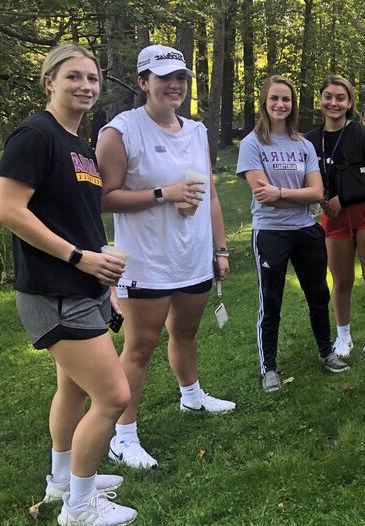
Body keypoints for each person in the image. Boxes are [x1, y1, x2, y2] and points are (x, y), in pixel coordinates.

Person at [0, 44, 137, 525]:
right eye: (74, 76)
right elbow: (8, 209)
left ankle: (62, 481)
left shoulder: (80, 143)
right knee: (114, 397)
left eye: (93, 79)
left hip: (84, 286)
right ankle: (80, 508)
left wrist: (105, 281)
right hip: (54, 289)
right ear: (49, 82)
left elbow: (80, 216)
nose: (85, 86)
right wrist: (78, 259)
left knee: (74, 390)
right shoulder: (35, 136)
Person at [96, 44, 234, 470]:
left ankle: (191, 397)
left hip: (191, 257)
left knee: (186, 333)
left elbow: (208, 193)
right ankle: (123, 435)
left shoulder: (196, 131)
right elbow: (103, 198)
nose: (174, 85)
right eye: (164, 78)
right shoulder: (121, 131)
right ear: (144, 83)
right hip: (146, 261)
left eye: (181, 78)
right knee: (139, 348)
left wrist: (220, 247)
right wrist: (162, 195)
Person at [236, 75, 349, 392]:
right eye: (274, 99)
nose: (280, 105)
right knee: (270, 302)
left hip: (306, 231)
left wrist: (281, 193)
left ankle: (326, 352)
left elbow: (317, 192)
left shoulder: (304, 145)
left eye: (286, 99)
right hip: (270, 233)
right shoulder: (252, 144)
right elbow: (262, 194)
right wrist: (293, 194)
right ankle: (268, 368)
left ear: (293, 104)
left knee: (319, 295)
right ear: (264, 102)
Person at [305, 76, 365, 364]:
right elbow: (307, 178)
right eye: (328, 96)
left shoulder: (363, 135)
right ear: (320, 100)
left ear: (349, 102)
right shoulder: (311, 140)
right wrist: (319, 198)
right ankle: (343, 336)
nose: (334, 103)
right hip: (335, 218)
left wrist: (344, 197)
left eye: (340, 97)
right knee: (340, 281)